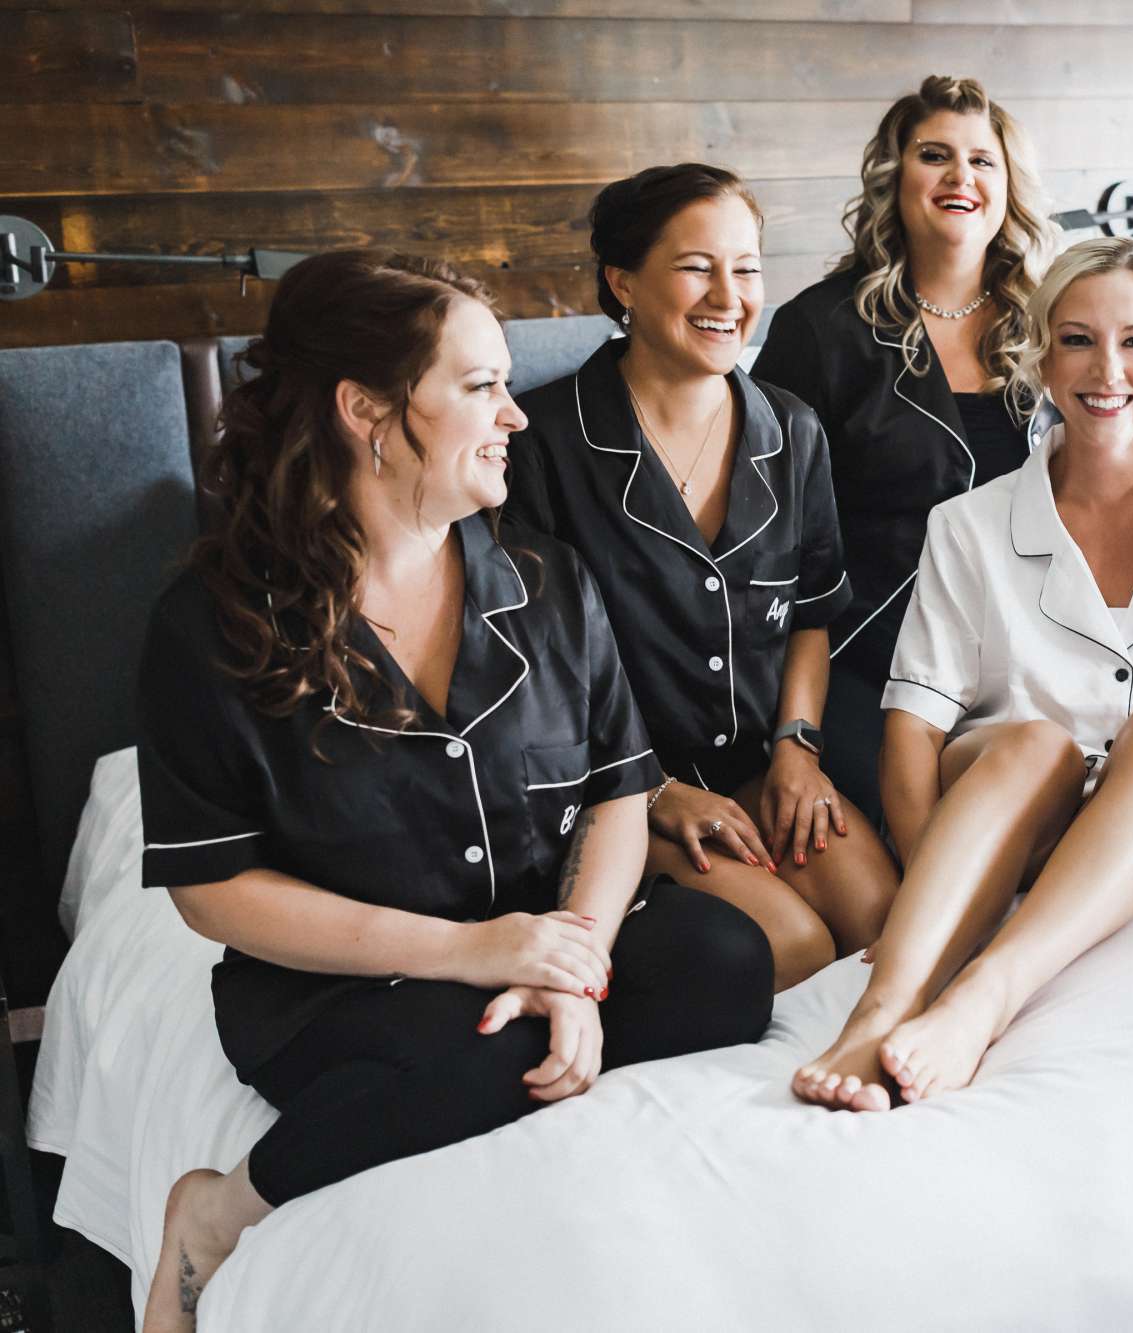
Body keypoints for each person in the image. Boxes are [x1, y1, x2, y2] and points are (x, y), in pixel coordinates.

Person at [136, 251, 773, 1331]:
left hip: (532, 935)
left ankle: (541, 1012)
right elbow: (215, 890)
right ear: (368, 411)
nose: (516, 417)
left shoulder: (546, 581)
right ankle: (218, 1212)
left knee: (728, 960)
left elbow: (621, 789)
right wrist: (471, 952)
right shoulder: (212, 623)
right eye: (481, 387)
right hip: (347, 984)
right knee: (460, 1052)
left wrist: (572, 959)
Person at [791, 237, 1133, 1111]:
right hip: (1019, 822)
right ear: (1041, 359)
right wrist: (922, 899)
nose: (1108, 368)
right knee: (1033, 744)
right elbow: (912, 728)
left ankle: (986, 997)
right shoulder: (968, 525)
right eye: (1077, 339)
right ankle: (886, 1009)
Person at [507, 165, 898, 991]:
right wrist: (651, 793)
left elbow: (811, 616)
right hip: (611, 789)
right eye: (696, 267)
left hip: (759, 762)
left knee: (878, 923)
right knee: (791, 944)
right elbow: (532, 675)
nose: (730, 294)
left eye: (747, 267)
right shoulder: (540, 442)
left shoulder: (791, 430)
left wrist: (798, 750)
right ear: (622, 282)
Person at [755, 75, 1059, 825]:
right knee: (955, 826)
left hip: (1030, 645)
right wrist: (794, 730)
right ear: (897, 179)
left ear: (1008, 185)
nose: (961, 177)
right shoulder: (821, 330)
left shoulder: (1053, 320)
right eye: (935, 155)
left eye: (983, 161)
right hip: (871, 658)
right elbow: (771, 539)